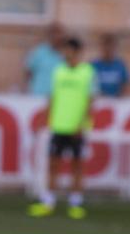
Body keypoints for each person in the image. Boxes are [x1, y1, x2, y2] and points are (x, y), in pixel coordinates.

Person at [29, 37, 96, 219]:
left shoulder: (87, 72)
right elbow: (52, 97)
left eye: (69, 50)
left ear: (76, 51)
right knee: (53, 164)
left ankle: (76, 203)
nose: (66, 54)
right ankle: (48, 201)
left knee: (77, 165)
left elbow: (91, 100)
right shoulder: (58, 71)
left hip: (77, 128)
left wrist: (82, 123)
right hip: (59, 125)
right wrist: (45, 118)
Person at [25, 22, 65, 96]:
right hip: (39, 94)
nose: (57, 37)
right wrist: (28, 88)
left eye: (59, 34)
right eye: (54, 34)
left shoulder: (65, 54)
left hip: (58, 96)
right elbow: (29, 72)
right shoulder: (38, 52)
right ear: (49, 35)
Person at [92, 33, 130, 98]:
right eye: (105, 46)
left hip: (116, 102)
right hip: (99, 101)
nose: (108, 49)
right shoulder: (94, 65)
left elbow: (126, 84)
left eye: (111, 46)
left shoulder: (120, 65)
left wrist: (120, 96)